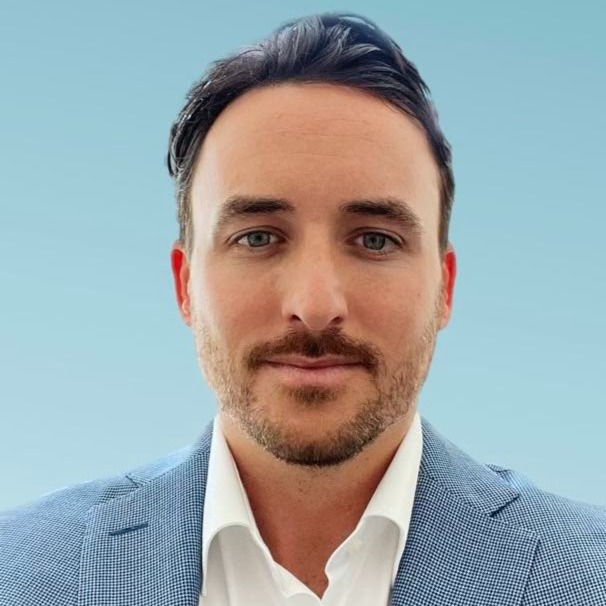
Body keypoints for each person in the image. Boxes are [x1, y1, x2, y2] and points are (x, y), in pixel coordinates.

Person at [1, 11, 605, 606]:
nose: (315, 307)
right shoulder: (19, 573)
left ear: (444, 287)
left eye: (375, 240)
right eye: (258, 237)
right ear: (185, 285)